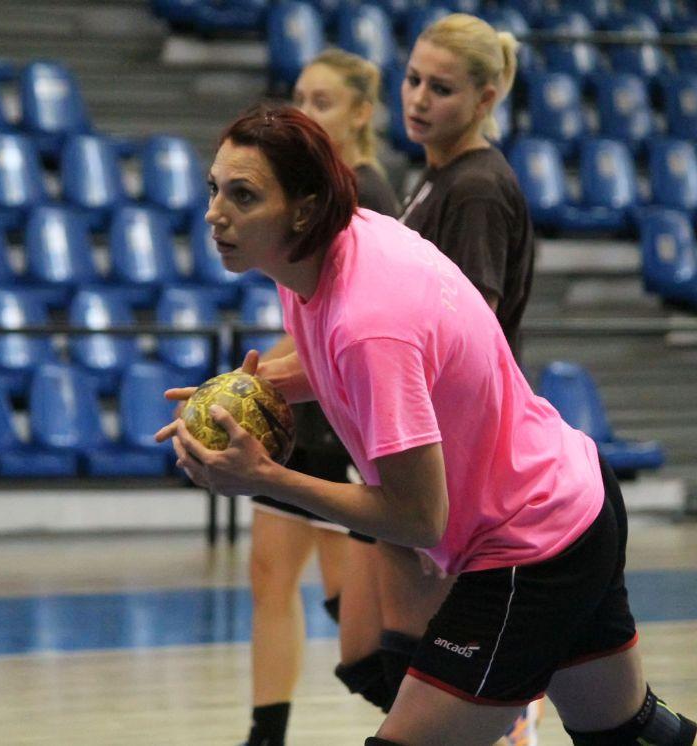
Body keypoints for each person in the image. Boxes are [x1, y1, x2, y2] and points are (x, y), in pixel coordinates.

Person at [155, 104, 697, 746]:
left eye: (243, 196)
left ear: (303, 210)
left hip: (529, 544)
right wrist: (259, 388)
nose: (214, 213)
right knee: (633, 734)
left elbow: (418, 517)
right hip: (575, 500)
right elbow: (355, 359)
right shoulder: (337, 245)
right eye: (214, 188)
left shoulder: (369, 322)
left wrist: (267, 478)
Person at [370, 14, 540, 745]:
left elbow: (468, 332)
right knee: (400, 652)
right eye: (412, 80)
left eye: (440, 88)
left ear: (485, 97)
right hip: (433, 438)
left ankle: (514, 719)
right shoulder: (437, 177)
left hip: (457, 446)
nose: (417, 98)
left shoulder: (475, 190)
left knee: (438, 660)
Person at [240, 48, 401, 746]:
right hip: (302, 412)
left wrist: (247, 380)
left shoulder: (368, 193)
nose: (305, 112)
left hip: (342, 414)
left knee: (352, 605)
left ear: (362, 113)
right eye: (300, 98)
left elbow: (339, 327)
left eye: (323, 101)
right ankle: (265, 734)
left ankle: (473, 707)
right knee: (269, 573)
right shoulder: (307, 188)